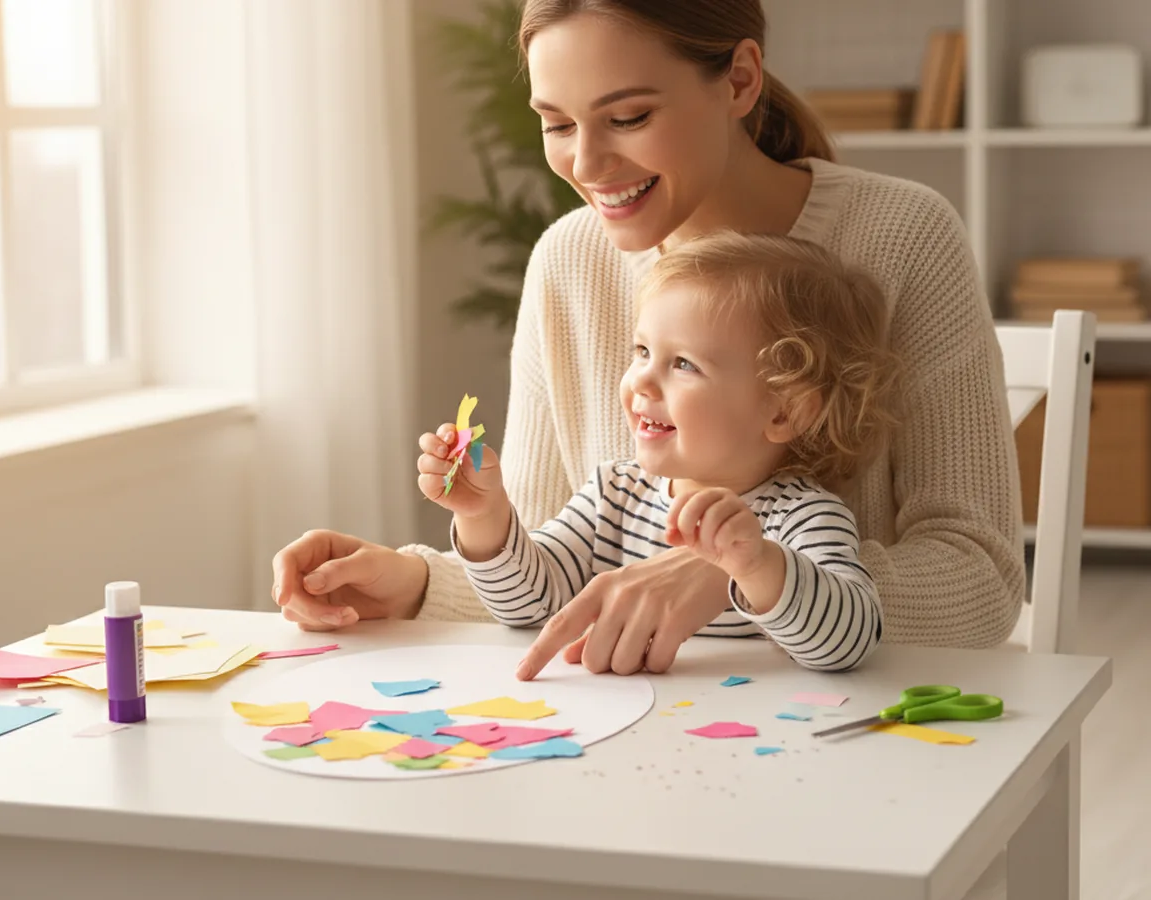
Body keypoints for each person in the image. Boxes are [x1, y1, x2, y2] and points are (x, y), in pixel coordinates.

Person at [272, 0, 1024, 678]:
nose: (588, 165)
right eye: (558, 124)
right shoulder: (568, 261)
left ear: (738, 80)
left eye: (627, 118)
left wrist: (732, 576)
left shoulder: (903, 237)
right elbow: (556, 575)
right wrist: (415, 584)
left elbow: (983, 584)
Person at [418, 232, 898, 674]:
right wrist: (482, 515)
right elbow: (531, 606)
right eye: (642, 351)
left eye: (684, 364)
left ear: (783, 412)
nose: (642, 380)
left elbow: (850, 642)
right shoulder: (615, 493)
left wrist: (757, 565)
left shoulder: (801, 516)